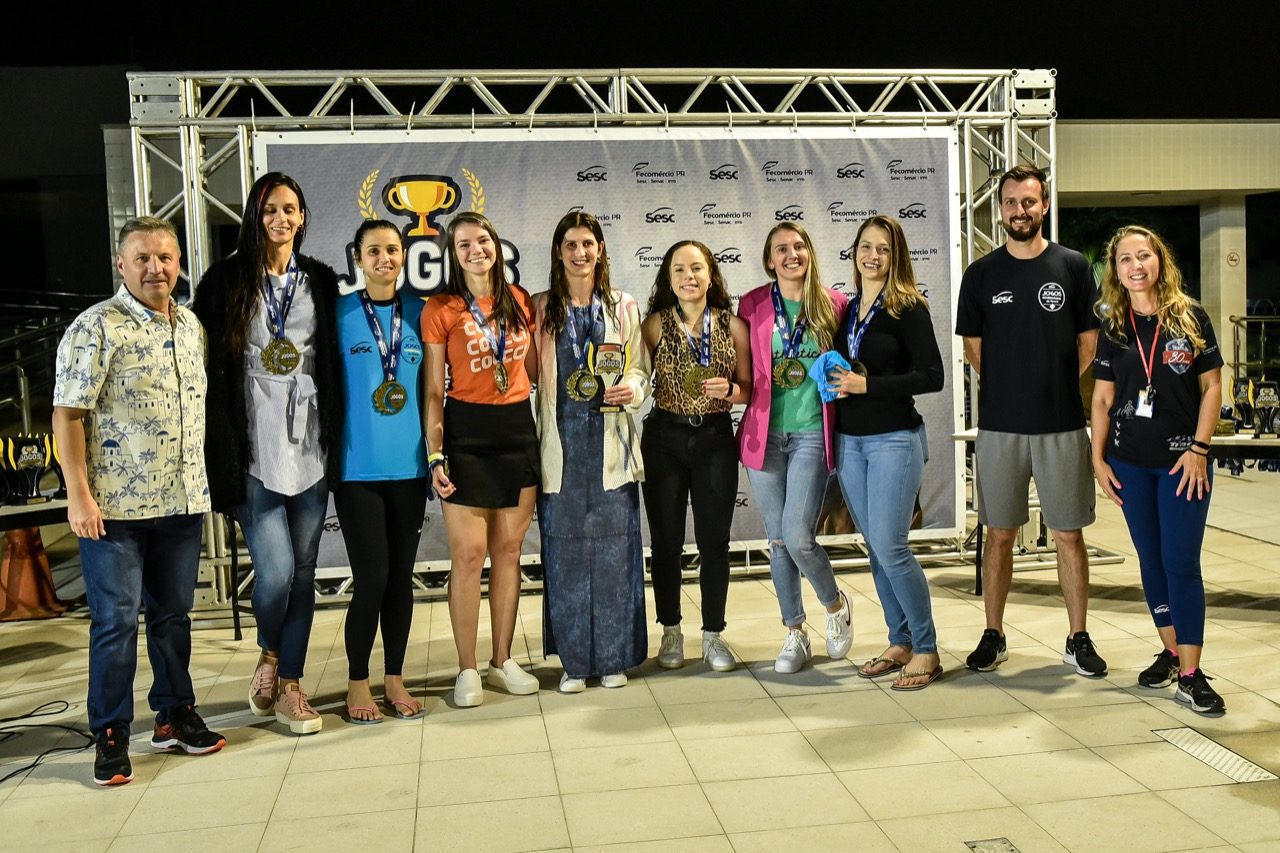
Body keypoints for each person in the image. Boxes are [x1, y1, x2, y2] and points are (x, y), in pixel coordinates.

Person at [53, 217, 224, 786]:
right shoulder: (94, 327)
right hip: (114, 511)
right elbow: (68, 415)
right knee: (115, 624)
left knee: (173, 617)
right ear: (121, 265)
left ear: (179, 263)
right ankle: (110, 733)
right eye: (143, 258)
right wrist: (78, 495)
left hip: (178, 502)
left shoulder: (190, 326)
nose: (156, 268)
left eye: (166, 257)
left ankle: (174, 714)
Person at [193, 172, 342, 734]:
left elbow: (329, 363)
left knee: (304, 569)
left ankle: (290, 683)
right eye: (270, 209)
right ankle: (270, 652)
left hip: (308, 439)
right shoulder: (224, 281)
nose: (281, 218)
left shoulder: (322, 283)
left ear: (303, 217)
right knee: (276, 571)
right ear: (254, 216)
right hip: (252, 441)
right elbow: (205, 368)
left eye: (291, 209)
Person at [955, 164, 1105, 677]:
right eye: (1012, 203)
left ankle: (1077, 637)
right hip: (1000, 425)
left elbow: (1088, 343)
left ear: (1044, 206)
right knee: (998, 532)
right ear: (999, 210)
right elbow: (974, 349)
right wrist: (1015, 385)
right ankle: (993, 635)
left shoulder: (1073, 267)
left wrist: (1050, 383)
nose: (1021, 211)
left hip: (1062, 423)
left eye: (1030, 202)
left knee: (1068, 534)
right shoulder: (980, 275)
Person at [1091, 226, 1225, 713]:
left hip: (1181, 465)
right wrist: (1098, 459)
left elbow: (1212, 386)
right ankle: (1171, 652)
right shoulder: (1114, 327)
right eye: (1125, 259)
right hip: (1129, 465)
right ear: (1117, 271)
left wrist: (1199, 447)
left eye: (1143, 255)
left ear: (1159, 261)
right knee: (1150, 562)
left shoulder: (1190, 317)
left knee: (1181, 564)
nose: (1135, 265)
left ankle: (1191, 674)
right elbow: (1104, 398)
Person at [422, 211, 540, 706]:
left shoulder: (519, 301)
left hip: (517, 429)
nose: (476, 250)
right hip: (465, 432)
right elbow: (431, 390)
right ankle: (467, 668)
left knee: (509, 552)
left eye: (484, 240)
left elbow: (536, 371)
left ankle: (502, 660)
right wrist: (435, 455)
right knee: (469, 555)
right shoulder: (441, 307)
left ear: (498, 245)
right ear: (453, 253)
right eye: (465, 243)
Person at [533, 212, 649, 692]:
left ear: (600, 249)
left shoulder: (623, 306)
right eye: (570, 244)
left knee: (615, 554)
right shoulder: (540, 308)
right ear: (558, 251)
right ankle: (575, 662)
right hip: (559, 451)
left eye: (588, 243)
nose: (580, 253)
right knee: (564, 557)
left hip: (611, 450)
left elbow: (640, 369)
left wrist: (632, 389)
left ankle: (615, 657)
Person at [827, 216, 945, 690]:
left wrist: (865, 383)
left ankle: (928, 647)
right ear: (855, 252)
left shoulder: (908, 308)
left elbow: (932, 376)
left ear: (897, 257)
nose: (872, 256)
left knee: (893, 548)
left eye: (883, 249)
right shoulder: (849, 309)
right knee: (876, 549)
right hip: (850, 441)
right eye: (866, 247)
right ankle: (899, 642)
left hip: (895, 439)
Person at [738, 223, 853, 673]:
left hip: (810, 434)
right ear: (769, 260)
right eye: (781, 249)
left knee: (799, 536)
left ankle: (834, 603)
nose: (792, 255)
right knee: (779, 541)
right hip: (765, 437)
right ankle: (794, 633)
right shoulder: (750, 305)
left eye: (799, 246)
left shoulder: (835, 304)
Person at [640, 239, 752, 672]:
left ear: (711, 275)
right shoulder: (652, 325)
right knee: (666, 543)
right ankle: (670, 631)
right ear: (668, 278)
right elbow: (633, 376)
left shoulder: (733, 326)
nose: (689, 276)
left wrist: (732, 391)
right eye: (680, 270)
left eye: (697, 268)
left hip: (715, 439)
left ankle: (713, 635)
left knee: (714, 541)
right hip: (664, 439)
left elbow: (748, 387)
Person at [335, 220, 429, 723]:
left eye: (392, 250)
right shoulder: (339, 314)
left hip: (410, 468)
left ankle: (394, 676)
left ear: (404, 255)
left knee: (399, 579)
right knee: (371, 575)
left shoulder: (422, 313)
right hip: (356, 470)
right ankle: (357, 682)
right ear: (358, 257)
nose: (384, 259)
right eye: (374, 251)